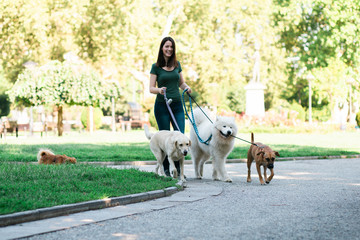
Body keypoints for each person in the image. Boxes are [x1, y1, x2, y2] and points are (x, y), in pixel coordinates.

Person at [149, 36, 192, 177]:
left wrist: (187, 88)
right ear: (162, 48)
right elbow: (151, 88)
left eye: (171, 47)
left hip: (177, 105)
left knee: (180, 134)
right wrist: (159, 90)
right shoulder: (155, 67)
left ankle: (179, 171)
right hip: (162, 106)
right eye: (166, 46)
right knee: (166, 138)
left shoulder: (177, 64)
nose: (169, 49)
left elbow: (181, 83)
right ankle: (167, 170)